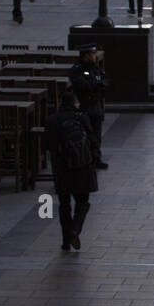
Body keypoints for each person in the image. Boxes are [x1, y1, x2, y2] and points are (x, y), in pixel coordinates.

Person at [44, 90, 98, 251]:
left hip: (61, 169)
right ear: (75, 103)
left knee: (64, 205)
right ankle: (75, 229)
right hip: (81, 167)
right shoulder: (81, 118)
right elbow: (93, 140)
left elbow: (46, 145)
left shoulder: (52, 120)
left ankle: (66, 240)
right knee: (82, 202)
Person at [68, 45, 109, 169]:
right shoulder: (77, 69)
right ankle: (85, 159)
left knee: (96, 134)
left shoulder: (95, 68)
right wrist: (95, 85)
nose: (95, 56)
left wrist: (98, 86)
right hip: (84, 106)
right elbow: (82, 85)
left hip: (95, 105)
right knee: (85, 134)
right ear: (86, 55)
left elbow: (104, 81)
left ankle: (96, 158)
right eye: (92, 54)